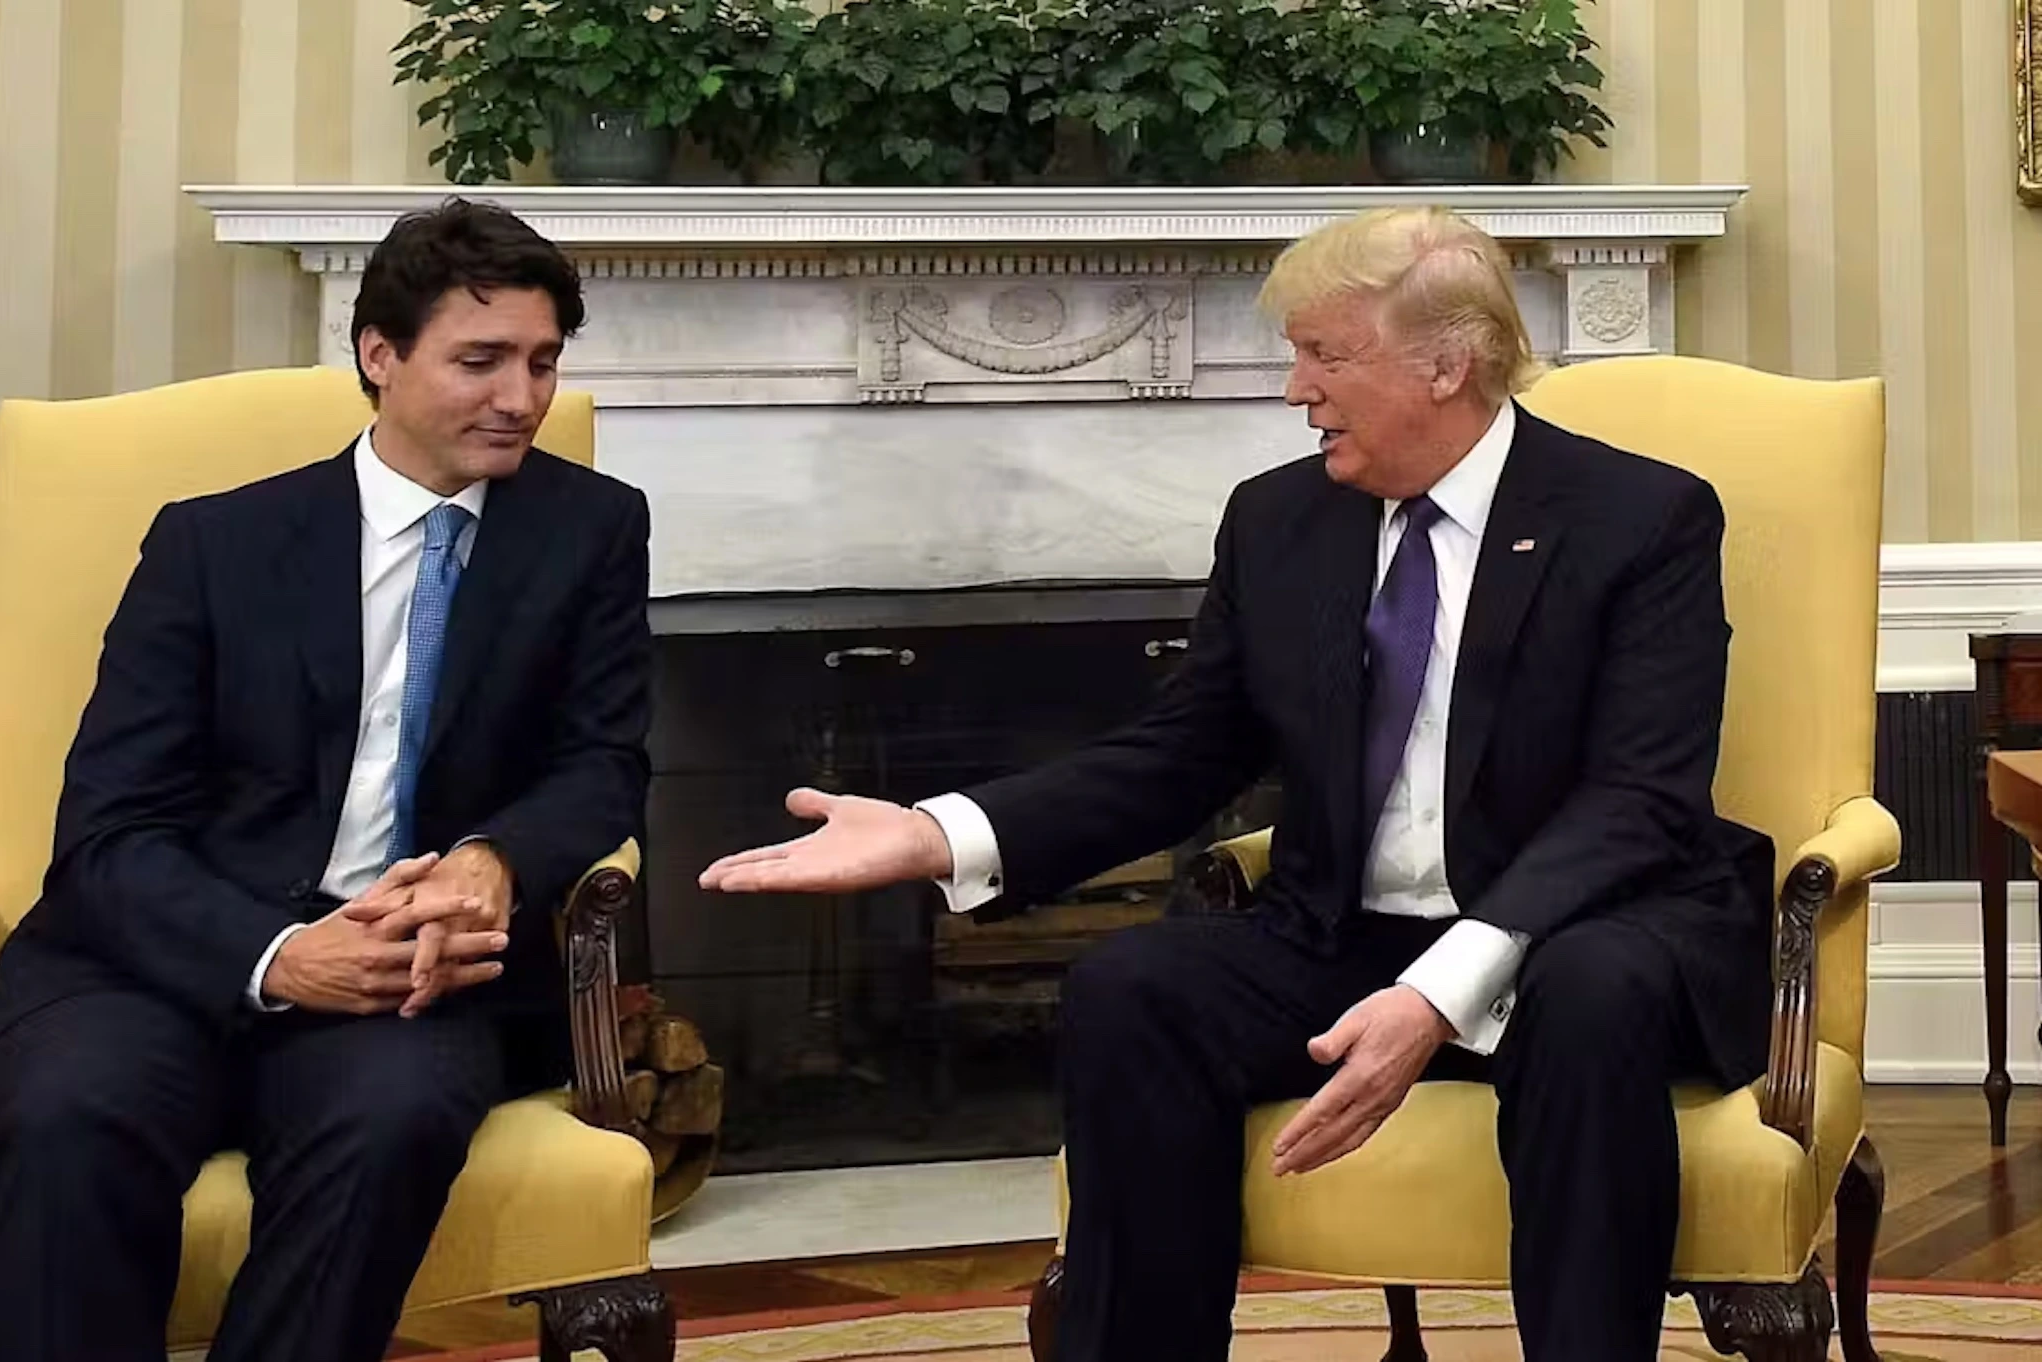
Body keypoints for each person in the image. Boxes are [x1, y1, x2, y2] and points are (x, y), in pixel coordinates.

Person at [700, 205, 1774, 1362]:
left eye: (1326, 355)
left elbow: (1638, 800)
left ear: (1446, 363)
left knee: (1591, 995)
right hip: (1347, 930)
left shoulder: (1639, 516)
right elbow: (1183, 751)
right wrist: (936, 834)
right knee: (1135, 988)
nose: (1295, 388)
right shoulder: (1281, 520)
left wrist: (1440, 992)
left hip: (1582, 924)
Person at [0, 199, 653, 1362]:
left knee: (391, 1125)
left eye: (542, 362)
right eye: (481, 361)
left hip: (405, 972)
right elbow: (110, 830)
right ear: (379, 355)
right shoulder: (213, 544)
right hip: (153, 963)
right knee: (69, 1125)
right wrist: (276, 957)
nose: (523, 399)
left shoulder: (592, 530)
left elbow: (604, 761)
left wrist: (495, 858)